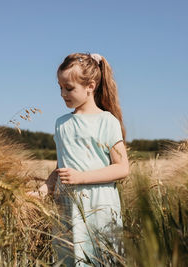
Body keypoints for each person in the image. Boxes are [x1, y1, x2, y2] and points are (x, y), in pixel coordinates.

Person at [31, 52, 129, 266]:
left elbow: (122, 168)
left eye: (69, 88)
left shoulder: (107, 121)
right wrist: (41, 191)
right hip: (67, 208)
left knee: (100, 259)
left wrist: (81, 178)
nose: (63, 94)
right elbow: (61, 167)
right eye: (60, 87)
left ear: (90, 86)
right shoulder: (61, 123)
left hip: (99, 207)